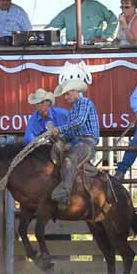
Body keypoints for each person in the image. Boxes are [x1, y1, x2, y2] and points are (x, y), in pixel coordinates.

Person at [49, 79, 100, 209]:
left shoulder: (84, 102)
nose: (65, 97)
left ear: (76, 91)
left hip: (87, 142)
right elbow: (72, 132)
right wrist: (60, 138)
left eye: (68, 94)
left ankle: (64, 194)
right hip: (76, 142)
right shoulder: (72, 110)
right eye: (65, 95)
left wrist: (59, 129)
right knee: (56, 149)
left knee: (69, 160)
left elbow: (79, 122)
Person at [46, 0, 117, 43]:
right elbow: (51, 28)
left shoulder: (96, 6)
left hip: (94, 48)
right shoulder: (66, 12)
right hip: (73, 49)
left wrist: (104, 37)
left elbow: (113, 20)